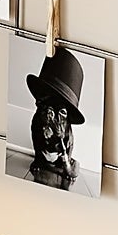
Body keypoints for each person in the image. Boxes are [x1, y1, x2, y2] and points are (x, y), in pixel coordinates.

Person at [25, 44, 86, 190]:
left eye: (62, 113)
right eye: (48, 109)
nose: (51, 115)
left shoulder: (66, 131)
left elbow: (67, 147)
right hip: (44, 155)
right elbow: (36, 137)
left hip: (60, 157)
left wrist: (65, 161)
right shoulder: (38, 121)